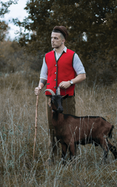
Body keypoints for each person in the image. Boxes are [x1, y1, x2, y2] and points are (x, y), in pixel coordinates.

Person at [34, 25, 86, 161]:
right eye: (51, 38)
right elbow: (44, 76)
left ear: (63, 41)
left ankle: (72, 157)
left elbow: (82, 75)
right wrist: (40, 86)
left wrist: (70, 82)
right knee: (53, 128)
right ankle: (54, 157)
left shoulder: (73, 55)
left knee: (69, 128)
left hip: (66, 98)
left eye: (55, 38)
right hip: (50, 98)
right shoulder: (47, 56)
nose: (52, 41)